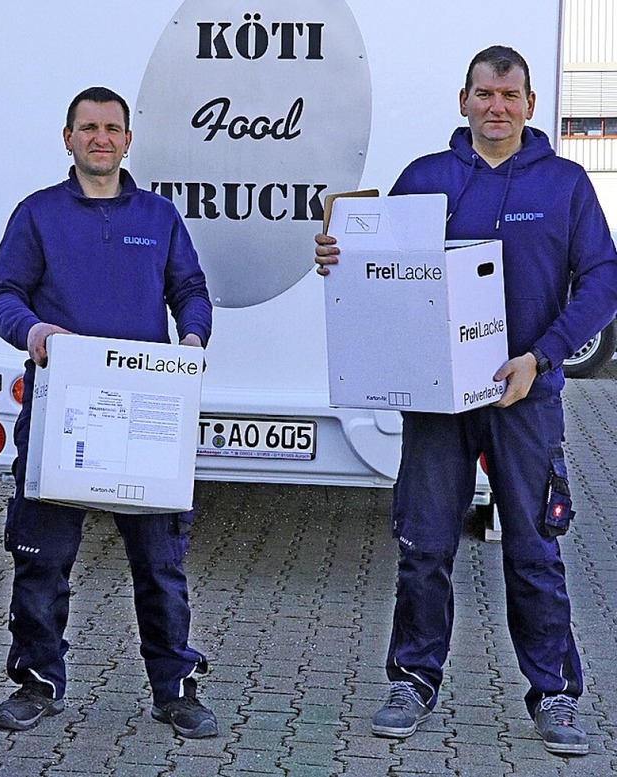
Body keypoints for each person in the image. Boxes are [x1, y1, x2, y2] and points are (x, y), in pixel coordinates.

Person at [315, 46, 617, 756]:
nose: (496, 107)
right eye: (484, 94)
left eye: (509, 95)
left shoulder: (567, 184)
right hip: (437, 402)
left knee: (534, 549)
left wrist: (540, 355)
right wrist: (335, 255)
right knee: (424, 544)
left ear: (530, 104)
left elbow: (603, 281)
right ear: (464, 101)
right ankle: (413, 678)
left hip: (524, 394)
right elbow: (378, 265)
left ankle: (555, 692)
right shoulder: (425, 179)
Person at [0, 87, 217, 739]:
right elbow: (2, 293)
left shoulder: (159, 216)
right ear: (68, 139)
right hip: (64, 411)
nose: (101, 139)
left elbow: (190, 290)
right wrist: (33, 333)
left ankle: (174, 688)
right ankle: (37, 681)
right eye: (88, 129)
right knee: (40, 556)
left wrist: (193, 339)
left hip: (144, 414)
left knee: (160, 563)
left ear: (127, 139)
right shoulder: (37, 216)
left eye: (112, 128)